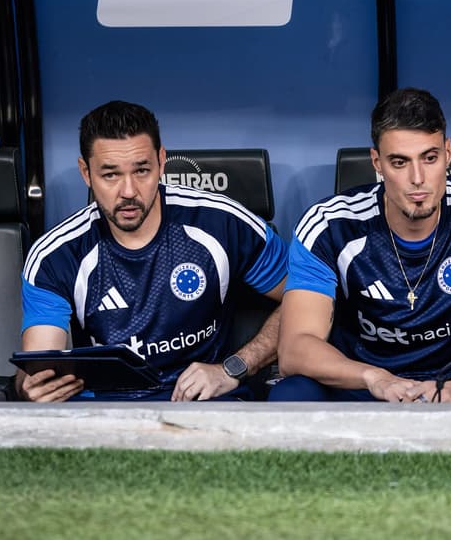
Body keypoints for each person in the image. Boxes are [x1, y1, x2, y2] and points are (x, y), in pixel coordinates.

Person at [270, 87, 451, 402]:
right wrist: (374, 378)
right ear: (376, 162)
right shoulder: (329, 225)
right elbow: (295, 347)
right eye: (399, 162)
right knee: (293, 392)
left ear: (448, 154)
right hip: (369, 383)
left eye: (430, 158)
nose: (418, 177)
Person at [16, 100, 288, 401]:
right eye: (110, 175)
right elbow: (41, 363)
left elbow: (304, 301)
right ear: (85, 172)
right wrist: (34, 388)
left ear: (161, 161)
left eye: (142, 170)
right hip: (105, 410)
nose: (129, 191)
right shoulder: (56, 256)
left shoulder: (223, 223)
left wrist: (232, 368)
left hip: (206, 402)